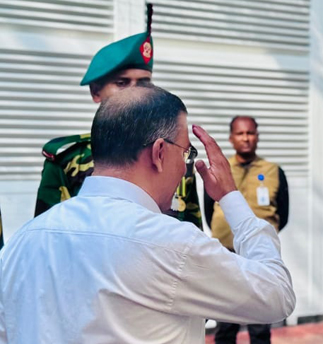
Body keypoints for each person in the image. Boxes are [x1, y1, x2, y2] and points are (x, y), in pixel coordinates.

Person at [0, 86, 295, 344]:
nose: (185, 169)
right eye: (187, 155)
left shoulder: (20, 245)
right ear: (159, 152)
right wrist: (230, 197)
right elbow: (276, 294)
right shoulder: (169, 243)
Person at [33, 5, 202, 228]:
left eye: (144, 83)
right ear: (96, 92)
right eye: (122, 83)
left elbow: (192, 231)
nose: (135, 91)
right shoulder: (68, 159)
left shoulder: (174, 153)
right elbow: (48, 232)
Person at [204, 116, 289, 344]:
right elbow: (208, 211)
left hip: (258, 262)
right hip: (225, 259)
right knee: (224, 332)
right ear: (231, 138)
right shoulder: (219, 169)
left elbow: (283, 215)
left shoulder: (274, 171)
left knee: (260, 332)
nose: (246, 138)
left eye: (251, 133)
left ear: (257, 136)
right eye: (240, 133)